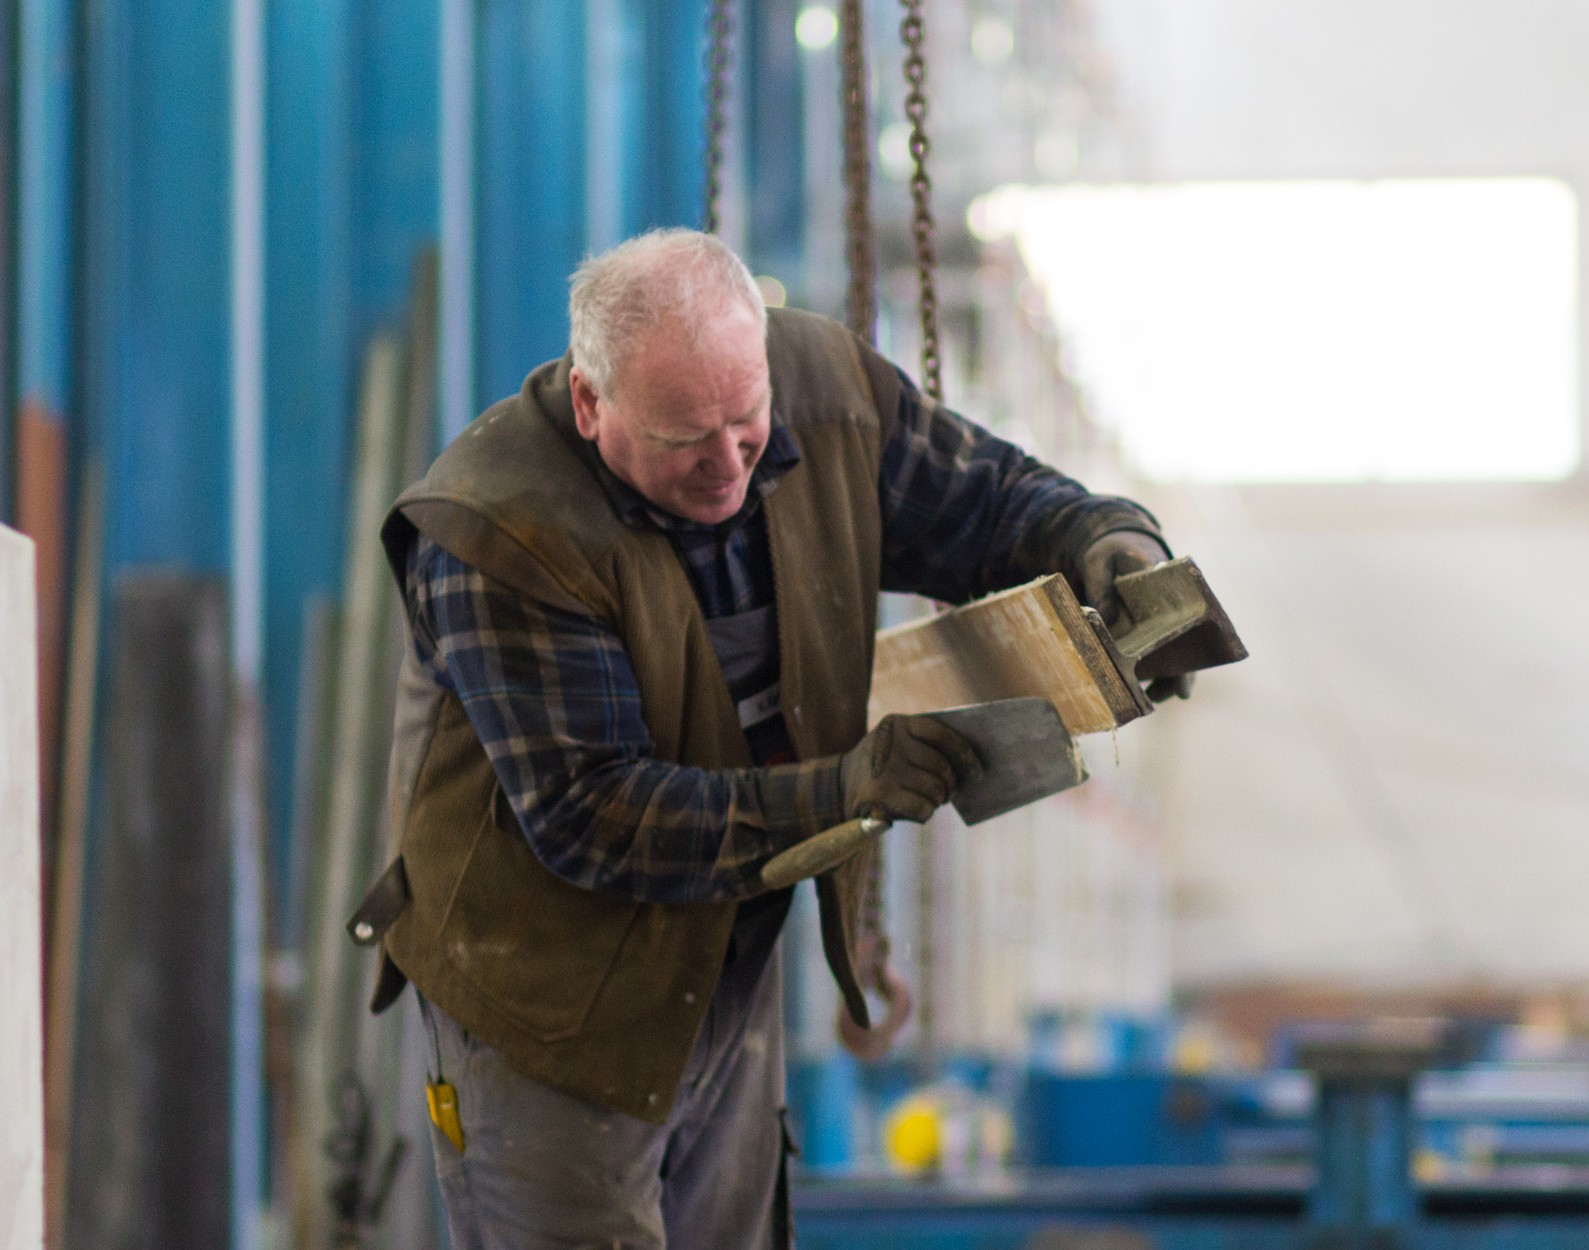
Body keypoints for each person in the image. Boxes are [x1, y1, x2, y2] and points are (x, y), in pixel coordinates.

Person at [350, 227, 1182, 1249]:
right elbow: (592, 815)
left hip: (723, 962)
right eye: (684, 438)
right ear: (590, 403)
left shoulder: (824, 393)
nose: (726, 463)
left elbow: (988, 503)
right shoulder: (498, 529)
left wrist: (1108, 539)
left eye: (746, 422)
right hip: (545, 1001)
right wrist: (843, 790)